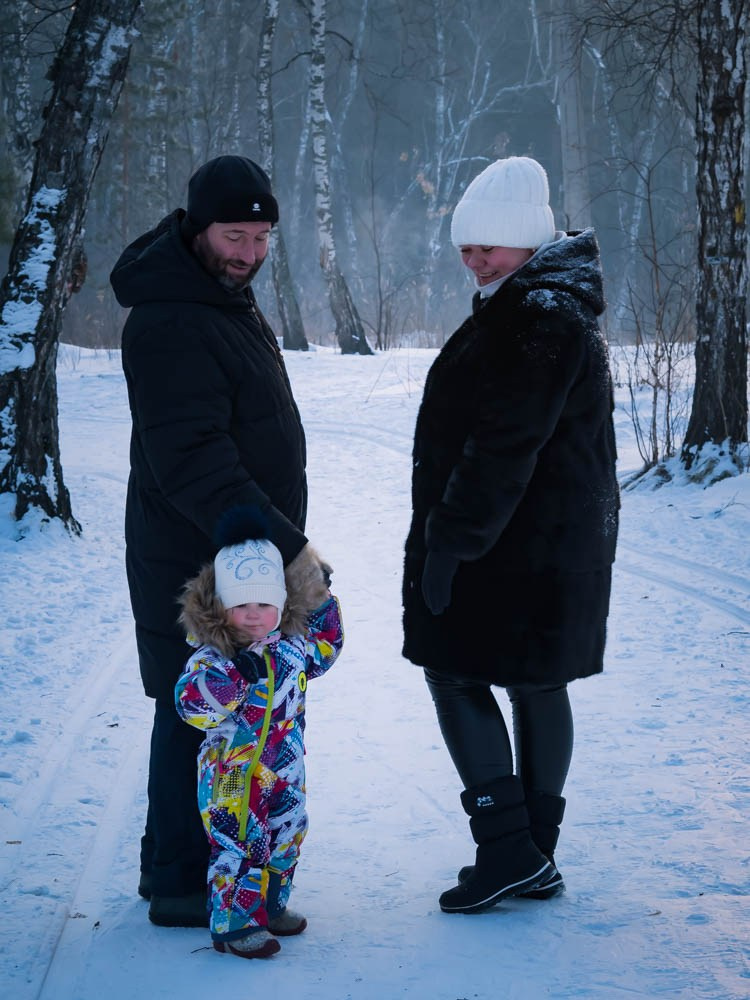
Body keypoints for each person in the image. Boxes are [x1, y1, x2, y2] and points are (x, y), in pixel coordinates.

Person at [402, 155, 619, 914]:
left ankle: (508, 850)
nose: (474, 256)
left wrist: (451, 541)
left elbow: (504, 445)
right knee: (534, 680)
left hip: (511, 547)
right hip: (543, 546)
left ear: (529, 242)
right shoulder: (541, 305)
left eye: (489, 244)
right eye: (466, 244)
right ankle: (531, 855)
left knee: (453, 668)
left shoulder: (539, 316)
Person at [110, 155, 308, 927]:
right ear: (197, 228)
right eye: (236, 235)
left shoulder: (217, 298)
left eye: (262, 237)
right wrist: (289, 551)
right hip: (197, 556)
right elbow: (194, 459)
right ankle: (186, 886)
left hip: (231, 555)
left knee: (204, 711)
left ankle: (174, 873)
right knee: (195, 711)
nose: (250, 253)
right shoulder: (170, 317)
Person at [175, 520, 344, 959]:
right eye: (241, 604)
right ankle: (234, 924)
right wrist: (232, 677)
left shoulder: (292, 647)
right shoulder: (212, 653)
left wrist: (319, 595)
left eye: (265, 603)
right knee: (239, 842)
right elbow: (193, 706)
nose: (254, 614)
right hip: (233, 775)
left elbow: (328, 646)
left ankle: (270, 906)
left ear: (283, 605)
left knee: (287, 833)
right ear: (221, 606)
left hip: (286, 768)